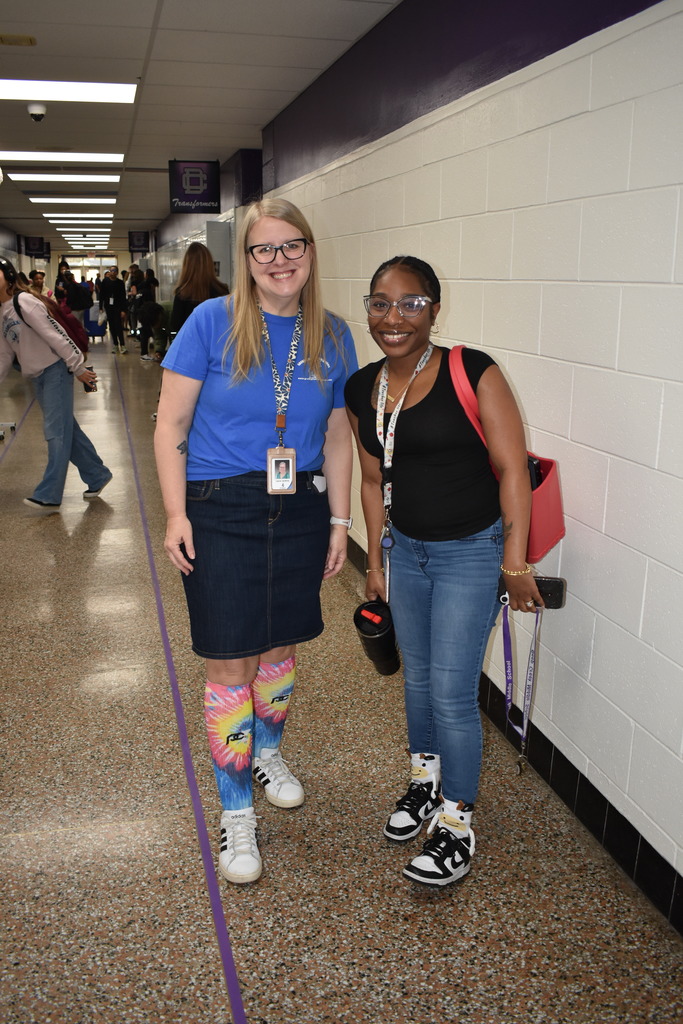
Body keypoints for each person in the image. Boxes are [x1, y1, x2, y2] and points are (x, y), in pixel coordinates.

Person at [154, 198, 357, 885]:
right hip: (220, 506)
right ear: (244, 261)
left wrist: (339, 520)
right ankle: (236, 811)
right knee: (229, 662)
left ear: (310, 251)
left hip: (299, 506)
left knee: (278, 648)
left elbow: (337, 434)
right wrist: (176, 514)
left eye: (291, 245)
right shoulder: (211, 322)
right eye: (263, 249)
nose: (279, 260)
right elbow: (169, 425)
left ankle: (266, 752)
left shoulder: (331, 333)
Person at [345, 255, 542, 888]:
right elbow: (371, 480)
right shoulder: (362, 387)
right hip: (406, 552)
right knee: (418, 681)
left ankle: (458, 823)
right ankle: (424, 783)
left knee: (453, 695)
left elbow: (513, 471)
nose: (393, 317)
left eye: (410, 303)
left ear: (433, 308)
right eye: (380, 303)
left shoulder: (472, 370)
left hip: (470, 552)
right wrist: (376, 562)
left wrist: (514, 562)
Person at [0, 257, 112, 513]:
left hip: (55, 371)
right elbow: (4, 355)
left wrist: (78, 366)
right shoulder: (1, 312)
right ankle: (97, 474)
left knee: (56, 431)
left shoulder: (24, 301)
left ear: (9, 276)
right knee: (66, 429)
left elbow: (56, 335)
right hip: (37, 377)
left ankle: (49, 495)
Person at [170, 242, 229, 338]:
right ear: (210, 264)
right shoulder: (222, 291)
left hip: (191, 344)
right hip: (217, 344)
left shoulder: (182, 294)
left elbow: (176, 326)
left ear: (187, 266)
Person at [98, 266, 128, 354]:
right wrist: (100, 307)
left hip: (118, 307)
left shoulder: (120, 283)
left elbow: (123, 297)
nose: (113, 272)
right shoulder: (105, 282)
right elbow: (101, 295)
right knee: (112, 326)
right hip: (108, 307)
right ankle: (115, 344)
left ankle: (122, 345)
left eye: (114, 271)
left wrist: (123, 310)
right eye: (111, 271)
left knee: (118, 325)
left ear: (117, 272)